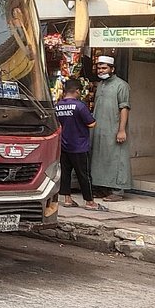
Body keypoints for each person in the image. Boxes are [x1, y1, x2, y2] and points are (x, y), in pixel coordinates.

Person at [90, 54, 133, 201]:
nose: (101, 71)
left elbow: (124, 108)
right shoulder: (101, 84)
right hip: (99, 128)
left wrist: (121, 130)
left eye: (104, 68)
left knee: (117, 158)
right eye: (99, 68)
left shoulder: (122, 85)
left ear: (112, 69)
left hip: (114, 129)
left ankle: (117, 191)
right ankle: (102, 188)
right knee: (100, 158)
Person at [55, 79, 99, 210]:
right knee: (84, 175)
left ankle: (67, 199)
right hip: (79, 146)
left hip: (63, 146)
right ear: (77, 91)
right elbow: (91, 123)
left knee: (65, 173)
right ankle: (90, 202)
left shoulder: (57, 106)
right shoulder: (79, 106)